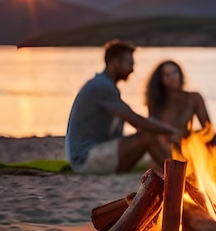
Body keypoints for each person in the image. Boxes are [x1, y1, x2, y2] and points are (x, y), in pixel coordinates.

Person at [65, 39, 178, 174]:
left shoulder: (106, 86)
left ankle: (179, 168)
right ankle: (179, 175)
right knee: (148, 136)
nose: (132, 69)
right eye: (129, 63)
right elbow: (135, 120)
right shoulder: (101, 87)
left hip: (98, 154)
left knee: (152, 145)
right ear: (115, 62)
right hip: (85, 159)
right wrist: (169, 130)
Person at [145, 60, 211, 138]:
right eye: (167, 75)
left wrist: (189, 136)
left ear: (180, 74)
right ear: (160, 80)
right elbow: (153, 127)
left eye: (175, 72)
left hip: (185, 143)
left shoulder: (193, 98)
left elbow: (207, 128)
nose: (172, 77)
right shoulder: (156, 101)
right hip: (161, 144)